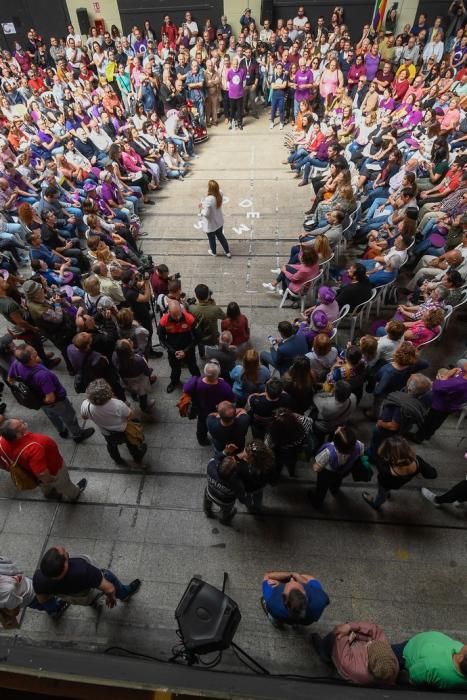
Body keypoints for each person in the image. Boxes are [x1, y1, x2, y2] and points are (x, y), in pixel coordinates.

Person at [8, 345, 94, 443]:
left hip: (40, 401)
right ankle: (78, 434)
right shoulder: (42, 375)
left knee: (53, 416)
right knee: (69, 417)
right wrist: (46, 401)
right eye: (32, 349)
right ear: (32, 357)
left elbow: (10, 380)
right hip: (56, 402)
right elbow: (50, 398)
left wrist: (35, 396)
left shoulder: (17, 363)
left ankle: (62, 431)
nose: (34, 348)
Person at [0, 418, 87, 501]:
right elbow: (41, 473)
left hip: (32, 474)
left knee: (43, 485)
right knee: (64, 484)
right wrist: (50, 479)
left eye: (19, 420)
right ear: (18, 435)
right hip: (54, 470)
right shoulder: (33, 447)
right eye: (20, 424)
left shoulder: (2, 441)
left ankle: (49, 494)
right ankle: (74, 494)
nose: (22, 421)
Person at [33, 546, 141, 609]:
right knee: (108, 576)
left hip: (78, 598)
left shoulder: (38, 579)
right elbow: (110, 588)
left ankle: (93, 604)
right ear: (65, 566)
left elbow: (42, 600)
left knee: (89, 601)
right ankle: (124, 594)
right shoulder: (83, 570)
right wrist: (111, 598)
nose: (63, 549)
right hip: (91, 589)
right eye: (64, 554)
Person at [81, 379, 147, 466]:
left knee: (111, 446)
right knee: (131, 443)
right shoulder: (117, 404)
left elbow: (84, 417)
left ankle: (118, 460)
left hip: (107, 432)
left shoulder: (86, 405)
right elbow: (131, 415)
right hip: (123, 430)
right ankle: (137, 457)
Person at [311, 621, 399, 685]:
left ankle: (323, 653)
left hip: (342, 654)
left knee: (333, 637)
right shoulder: (392, 664)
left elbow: (339, 639)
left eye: (369, 645)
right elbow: (375, 630)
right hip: (355, 645)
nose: (371, 641)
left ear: (368, 659)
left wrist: (349, 634)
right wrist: (351, 627)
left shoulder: (353, 668)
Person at [309, 426, 366, 508]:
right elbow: (361, 455)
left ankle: (317, 502)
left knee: (321, 488)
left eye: (340, 429)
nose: (338, 427)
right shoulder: (359, 445)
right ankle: (334, 490)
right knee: (337, 481)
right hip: (343, 471)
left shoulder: (328, 452)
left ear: (336, 442)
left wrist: (315, 466)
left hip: (327, 473)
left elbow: (317, 467)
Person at [0, 556, 69, 621]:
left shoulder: (5, 591)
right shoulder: (6, 591)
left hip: (28, 589)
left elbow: (14, 611)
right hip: (30, 594)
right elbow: (15, 610)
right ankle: (55, 611)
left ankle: (53, 608)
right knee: (48, 602)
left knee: (46, 600)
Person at [392, 631, 467, 689]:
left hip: (407, 650)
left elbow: (413, 675)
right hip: (422, 643)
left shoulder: (432, 668)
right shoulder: (461, 660)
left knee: (384, 653)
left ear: (460, 658)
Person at [183, 360, 234, 445]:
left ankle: (202, 440)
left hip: (201, 409)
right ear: (218, 374)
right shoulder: (224, 386)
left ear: (204, 372)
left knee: (201, 425)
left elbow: (186, 389)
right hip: (216, 411)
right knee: (218, 424)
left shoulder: (195, 381)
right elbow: (231, 398)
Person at [158, 300, 200, 393]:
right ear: (169, 312)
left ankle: (198, 382)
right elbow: (161, 339)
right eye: (174, 315)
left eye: (178, 314)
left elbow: (198, 338)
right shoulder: (163, 321)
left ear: (181, 310)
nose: (177, 318)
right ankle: (174, 382)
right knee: (175, 369)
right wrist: (173, 351)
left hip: (188, 348)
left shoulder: (190, 319)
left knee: (193, 367)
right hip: (173, 349)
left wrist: (186, 351)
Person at [261, 570, 329, 627]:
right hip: (307, 621)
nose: (292, 579)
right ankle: (297, 624)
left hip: (280, 615)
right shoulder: (320, 598)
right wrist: (298, 577)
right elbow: (310, 578)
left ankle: (277, 623)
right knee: (305, 576)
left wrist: (283, 581)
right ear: (304, 593)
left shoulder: (272, 602)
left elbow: (267, 576)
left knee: (273, 614)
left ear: (283, 597)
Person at [199, 179, 230, 257]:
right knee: (221, 237)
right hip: (219, 221)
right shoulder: (220, 193)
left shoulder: (209, 200)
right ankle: (227, 252)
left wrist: (201, 209)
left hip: (210, 224)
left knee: (211, 239)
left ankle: (214, 252)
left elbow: (206, 214)